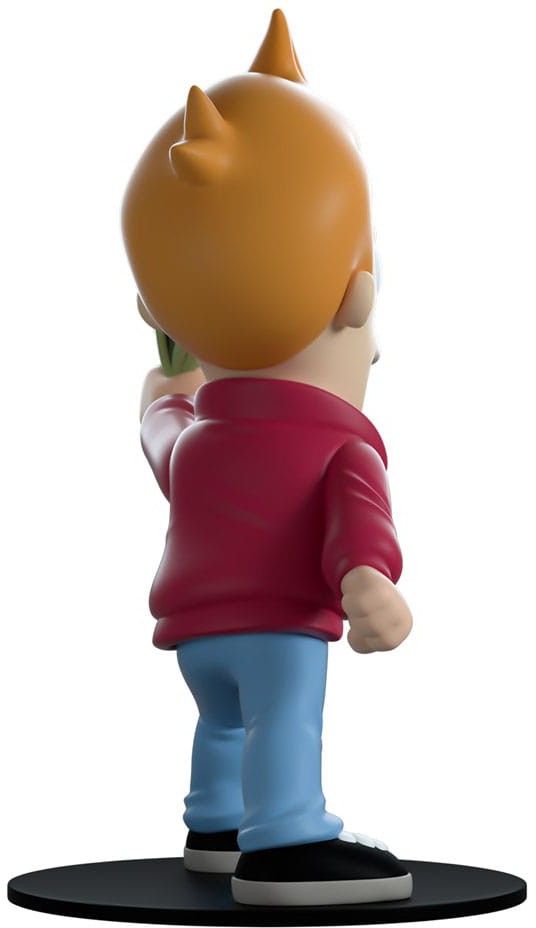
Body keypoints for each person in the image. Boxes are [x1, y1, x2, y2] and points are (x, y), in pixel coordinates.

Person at [123, 8, 413, 907]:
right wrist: (370, 579)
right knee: (283, 719)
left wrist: (163, 397)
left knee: (222, 725)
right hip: (279, 627)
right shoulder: (339, 443)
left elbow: (163, 447)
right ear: (353, 298)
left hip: (195, 630)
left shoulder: (201, 434)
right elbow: (357, 523)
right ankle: (285, 839)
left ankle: (214, 825)